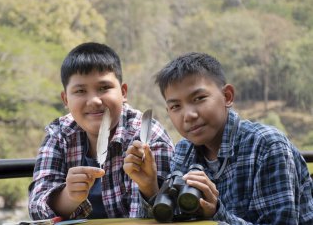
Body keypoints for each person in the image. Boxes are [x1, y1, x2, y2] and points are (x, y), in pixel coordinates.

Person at [124, 52, 313, 224]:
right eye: (176, 107)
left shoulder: (267, 146)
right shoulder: (184, 150)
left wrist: (216, 212)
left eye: (198, 98)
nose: (188, 115)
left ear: (227, 96)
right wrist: (150, 188)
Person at [28, 42, 174, 220]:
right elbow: (36, 206)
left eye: (104, 88)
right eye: (81, 91)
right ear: (65, 99)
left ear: (123, 92)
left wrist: (149, 186)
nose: (94, 101)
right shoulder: (60, 134)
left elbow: (160, 217)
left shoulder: (147, 137)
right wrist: (69, 196)